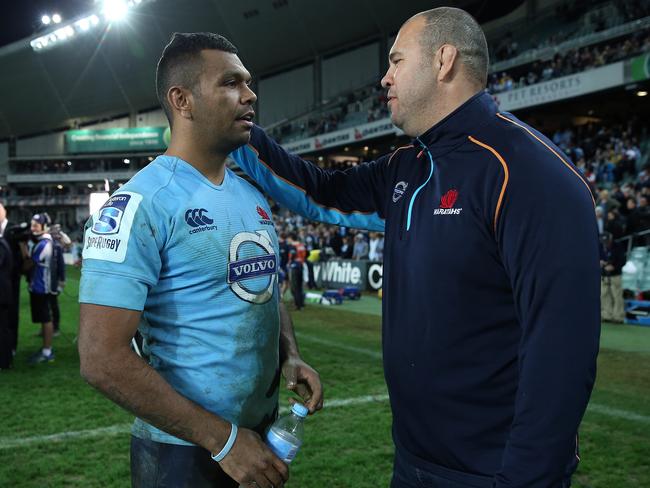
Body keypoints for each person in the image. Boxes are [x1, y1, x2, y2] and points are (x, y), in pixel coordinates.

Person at [231, 7, 600, 487]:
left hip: (493, 471)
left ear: (444, 60)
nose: (384, 78)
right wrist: (238, 132)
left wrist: (527, 477)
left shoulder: (528, 173)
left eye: (396, 60)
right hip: (413, 461)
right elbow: (320, 190)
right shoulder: (405, 167)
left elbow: (561, 352)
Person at [77, 33, 323, 488]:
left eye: (248, 83)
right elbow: (100, 358)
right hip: (183, 454)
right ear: (182, 100)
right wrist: (224, 441)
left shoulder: (250, 192)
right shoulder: (140, 203)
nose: (250, 95)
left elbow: (262, 290)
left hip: (258, 438)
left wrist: (289, 356)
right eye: (231, 83)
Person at [21, 213, 56, 364]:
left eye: (36, 225)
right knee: (44, 318)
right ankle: (46, 349)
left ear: (44, 227)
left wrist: (22, 248)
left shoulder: (44, 243)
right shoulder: (42, 241)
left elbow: (28, 264)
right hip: (39, 286)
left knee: (46, 318)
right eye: (32, 225)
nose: (32, 228)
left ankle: (47, 352)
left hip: (42, 287)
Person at [0, 202, 24, 356]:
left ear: (4, 212)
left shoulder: (14, 228)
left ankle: (12, 347)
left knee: (12, 314)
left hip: (12, 279)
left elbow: (22, 253)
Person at [599, 232, 626, 323]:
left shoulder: (618, 246)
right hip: (604, 274)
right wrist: (602, 262)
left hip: (615, 275)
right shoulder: (601, 246)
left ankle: (618, 317)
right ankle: (606, 315)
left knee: (617, 296)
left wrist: (614, 266)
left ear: (611, 238)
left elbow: (622, 260)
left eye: (607, 241)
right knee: (604, 295)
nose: (606, 243)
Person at [0, 228, 13, 369]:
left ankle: (4, 361)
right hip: (3, 293)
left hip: (2, 294)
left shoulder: (1, 244)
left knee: (3, 329)